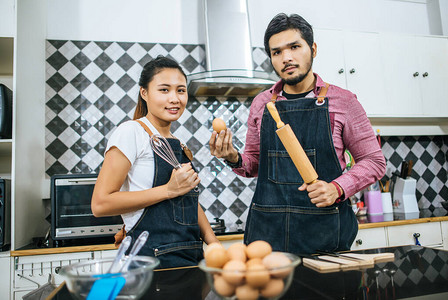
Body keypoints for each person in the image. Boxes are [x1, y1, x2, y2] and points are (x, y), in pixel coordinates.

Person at [209, 13, 386, 254]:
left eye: (294, 47)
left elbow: (374, 161)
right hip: (267, 235)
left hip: (324, 232)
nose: (287, 58)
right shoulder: (262, 103)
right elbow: (253, 165)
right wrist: (231, 157)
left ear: (312, 48)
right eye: (277, 52)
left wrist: (337, 188)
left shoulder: (343, 102)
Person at [92, 55, 219, 268]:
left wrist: (214, 244)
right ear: (144, 93)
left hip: (190, 258)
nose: (175, 98)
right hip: (150, 263)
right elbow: (100, 204)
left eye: (180, 90)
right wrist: (168, 190)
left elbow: (188, 201)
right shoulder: (131, 132)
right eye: (164, 90)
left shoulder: (178, 143)